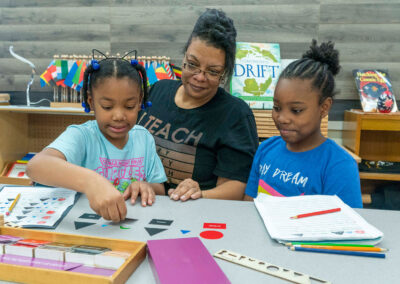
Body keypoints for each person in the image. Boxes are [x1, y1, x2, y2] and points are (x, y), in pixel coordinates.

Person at [27, 52, 167, 222]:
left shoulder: (143, 138)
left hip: (131, 225)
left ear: (139, 102)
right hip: (86, 226)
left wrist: (146, 187)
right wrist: (91, 182)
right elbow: (35, 166)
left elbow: (159, 188)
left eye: (129, 106)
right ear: (91, 102)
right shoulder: (82, 136)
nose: (118, 116)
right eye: (107, 107)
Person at [138, 9, 259, 202]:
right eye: (192, 64)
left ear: (224, 72)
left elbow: (236, 188)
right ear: (184, 56)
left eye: (212, 71)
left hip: (198, 214)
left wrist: (200, 193)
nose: (199, 77)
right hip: (142, 202)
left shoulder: (235, 114)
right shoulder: (158, 91)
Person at [244, 40, 363, 208]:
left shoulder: (338, 165)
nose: (282, 118)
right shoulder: (265, 149)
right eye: (277, 107)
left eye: (296, 110)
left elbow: (346, 226)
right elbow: (249, 206)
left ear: (324, 107)